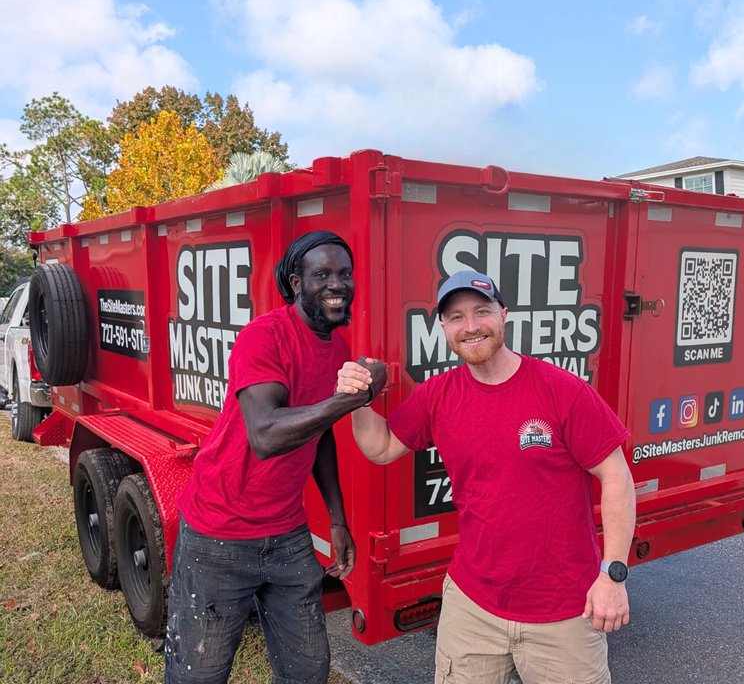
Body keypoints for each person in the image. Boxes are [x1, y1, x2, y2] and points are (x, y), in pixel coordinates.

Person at [338, 270, 636, 684]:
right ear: (443, 328)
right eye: (456, 317)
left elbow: (616, 476)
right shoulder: (438, 396)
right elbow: (382, 446)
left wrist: (613, 575)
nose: (471, 326)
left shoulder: (560, 390)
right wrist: (356, 400)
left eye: (482, 311)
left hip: (565, 611)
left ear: (504, 315)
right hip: (473, 607)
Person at [164, 230, 383, 684]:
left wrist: (338, 519)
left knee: (307, 669)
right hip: (218, 534)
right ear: (296, 282)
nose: (337, 284)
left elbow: (319, 432)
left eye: (345, 273)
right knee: (199, 674)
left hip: (287, 534)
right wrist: (352, 399)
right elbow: (265, 434)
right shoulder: (263, 336)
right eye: (321, 274)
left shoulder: (336, 348)